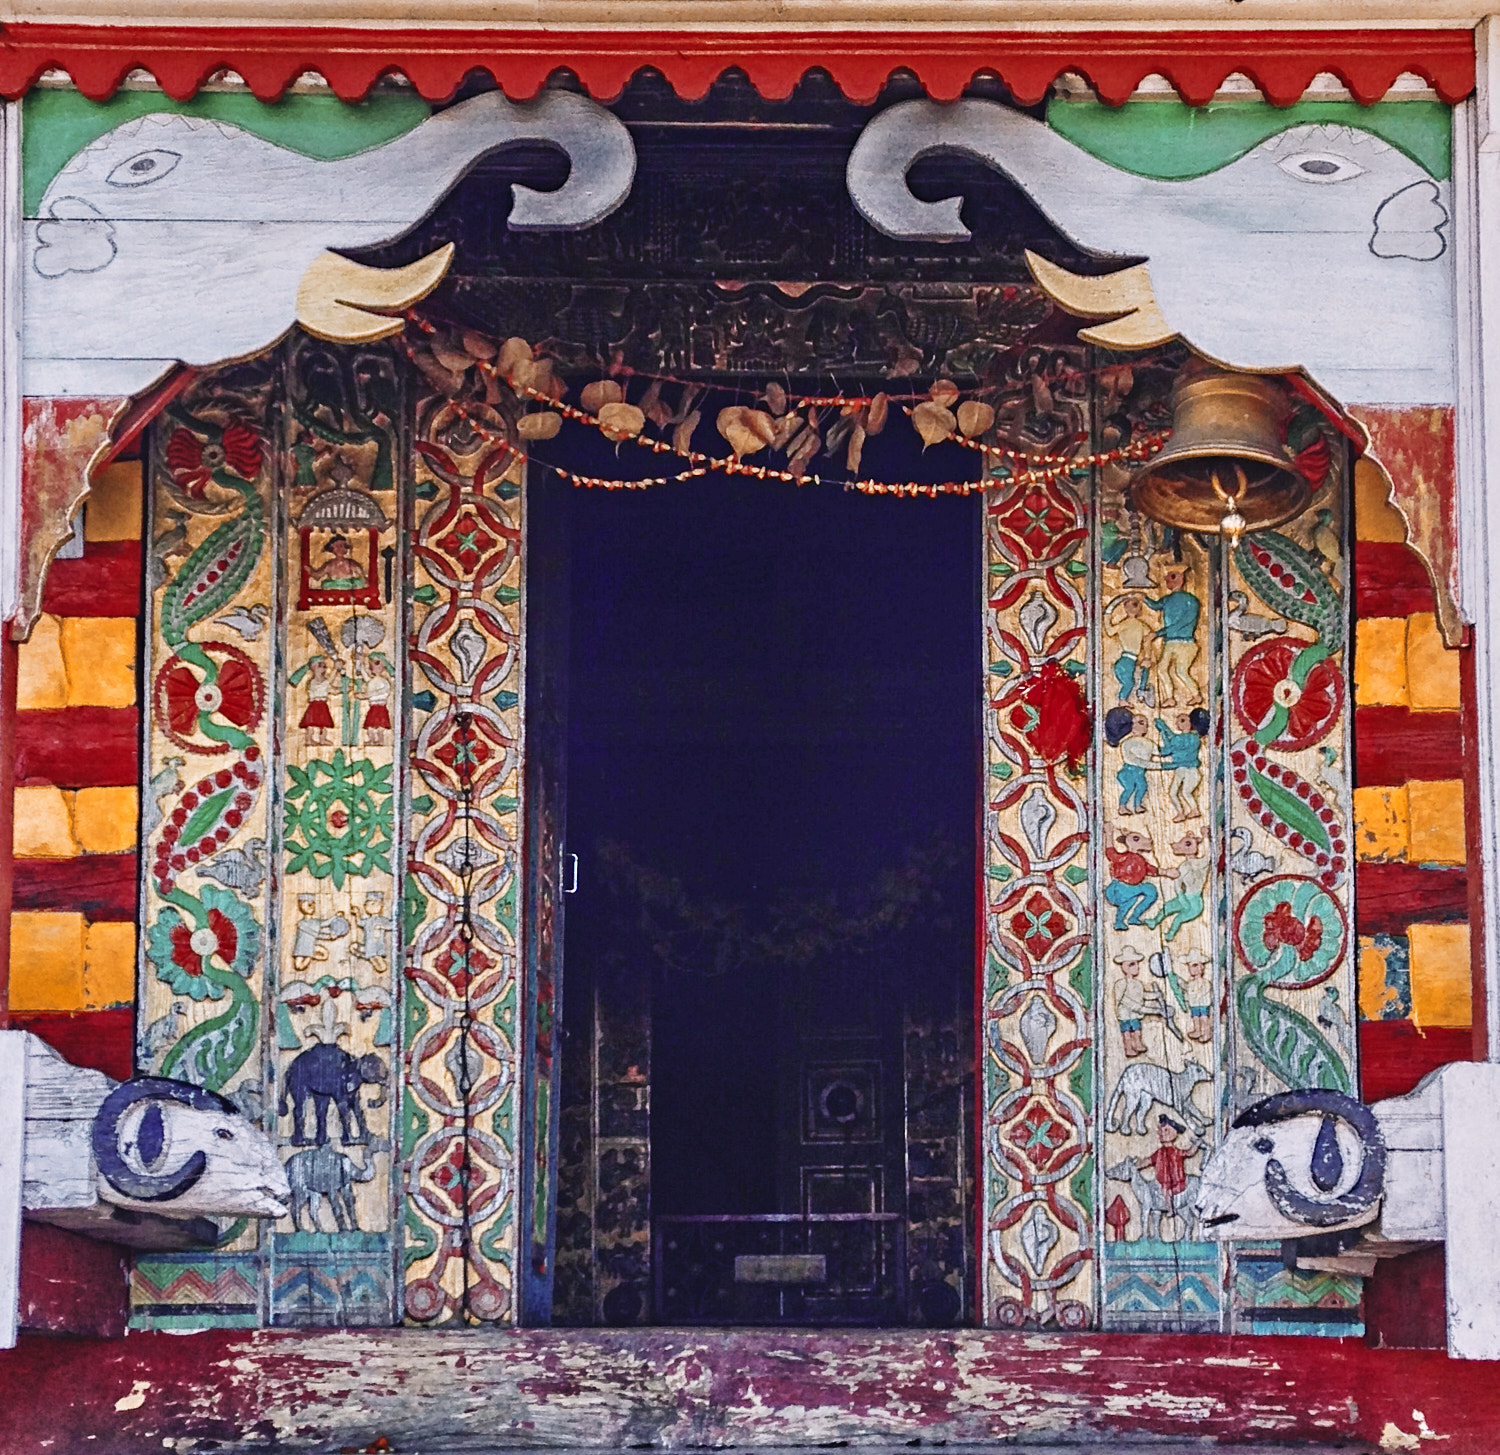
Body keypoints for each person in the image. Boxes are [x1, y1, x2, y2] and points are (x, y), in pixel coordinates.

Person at [1145, 565, 1202, 708]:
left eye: (1172, 576)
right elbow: (1155, 605)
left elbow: (1181, 624)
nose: (1166, 580)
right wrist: (1143, 597)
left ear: (1181, 578)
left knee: (1181, 671)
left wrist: (1158, 633)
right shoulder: (1167, 599)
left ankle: (1196, 695)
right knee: (1161, 669)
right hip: (1170, 642)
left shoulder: (1192, 601)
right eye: (1167, 577)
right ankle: (1169, 697)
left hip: (1185, 642)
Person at [1104, 827, 1173, 930]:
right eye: (1136, 839)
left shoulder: (1140, 859)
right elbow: (1111, 853)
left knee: (1150, 891)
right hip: (1119, 888)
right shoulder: (1124, 857)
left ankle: (1133, 917)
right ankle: (1121, 921)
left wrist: (1166, 872)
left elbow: (1150, 869)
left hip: (1132, 887)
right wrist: (1109, 834)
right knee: (1129, 901)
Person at [1155, 708, 1208, 822]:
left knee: (1185, 792)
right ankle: (1180, 813)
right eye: (1178, 721)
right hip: (1181, 769)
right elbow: (1169, 746)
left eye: (1183, 720)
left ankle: (1195, 810)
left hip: (1191, 770)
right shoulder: (1181, 738)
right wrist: (1164, 731)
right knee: (1173, 792)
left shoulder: (1193, 738)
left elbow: (1173, 744)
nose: (1179, 723)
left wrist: (1164, 729)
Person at [1112, 945, 1165, 1058]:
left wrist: (1155, 995)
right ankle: (1128, 1048)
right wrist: (1153, 1010)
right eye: (1133, 964)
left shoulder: (1138, 984)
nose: (1137, 967)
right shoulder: (1120, 984)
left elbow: (1143, 996)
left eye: (1137, 963)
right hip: (1126, 1014)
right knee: (1127, 1032)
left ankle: (1138, 1044)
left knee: (1137, 1030)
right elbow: (1127, 1002)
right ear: (1125, 967)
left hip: (1136, 1014)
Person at [1104, 707, 1155, 816]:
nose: (1143, 726)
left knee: (1142, 787)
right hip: (1129, 771)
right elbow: (1131, 758)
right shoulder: (1127, 743)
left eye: (1144, 724)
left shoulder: (1149, 743)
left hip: (1140, 772)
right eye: (1140, 723)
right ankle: (1122, 807)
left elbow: (1160, 751)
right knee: (1130, 788)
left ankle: (1137, 805)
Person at [1106, 594, 1153, 705]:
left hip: (1130, 660)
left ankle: (1136, 694)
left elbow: (1110, 631)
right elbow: (1149, 637)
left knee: (1133, 680)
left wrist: (1107, 617)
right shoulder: (1132, 624)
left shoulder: (1134, 625)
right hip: (1126, 660)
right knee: (1129, 683)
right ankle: (1123, 699)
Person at [1180, 948, 1214, 1043]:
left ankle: (1206, 1033)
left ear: (1202, 967)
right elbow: (1187, 989)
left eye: (1195, 965)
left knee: (1204, 1018)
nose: (1192, 969)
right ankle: (1197, 1030)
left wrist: (1192, 993)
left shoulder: (1205, 982)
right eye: (1190, 966)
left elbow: (1200, 991)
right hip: (1194, 1004)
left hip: (1202, 1003)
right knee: (1195, 1017)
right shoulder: (1191, 983)